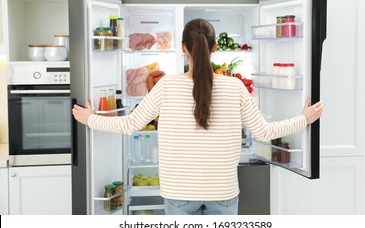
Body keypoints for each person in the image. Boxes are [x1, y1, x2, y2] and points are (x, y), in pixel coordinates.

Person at [72, 18, 323, 215]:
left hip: (179, 192)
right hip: (222, 191)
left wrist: (91, 119)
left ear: (183, 48)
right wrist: (304, 118)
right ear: (214, 48)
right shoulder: (235, 86)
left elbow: (130, 124)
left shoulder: (166, 86)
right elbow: (265, 131)